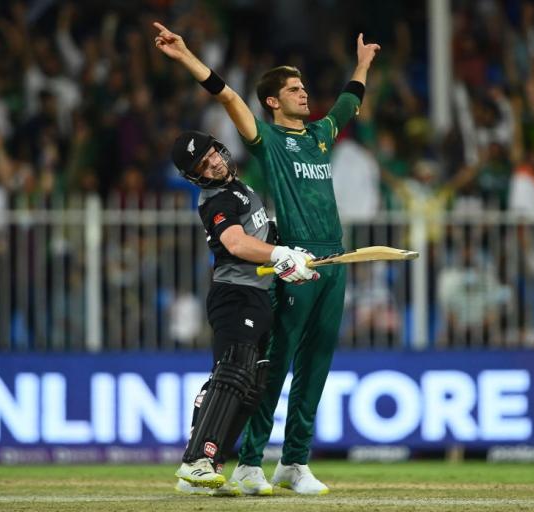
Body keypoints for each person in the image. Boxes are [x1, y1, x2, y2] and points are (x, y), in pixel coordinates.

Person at [154, 21, 380, 495]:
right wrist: (187, 56)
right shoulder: (267, 142)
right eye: (294, 89)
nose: (304, 93)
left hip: (335, 260)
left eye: (303, 86)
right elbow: (229, 98)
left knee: (317, 363)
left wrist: (361, 66)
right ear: (273, 101)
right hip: (294, 261)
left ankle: (295, 462)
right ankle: (250, 461)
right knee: (273, 365)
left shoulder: (320, 134)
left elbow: (349, 103)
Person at [170, 130, 318, 496]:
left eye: (212, 154)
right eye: (203, 164)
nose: (214, 163)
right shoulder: (217, 198)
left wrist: (288, 259)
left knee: (250, 387)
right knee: (233, 372)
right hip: (234, 297)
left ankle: (211, 466)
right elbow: (235, 243)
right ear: (195, 176)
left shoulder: (241, 189)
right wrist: (278, 255)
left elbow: (259, 244)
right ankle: (195, 462)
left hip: (255, 296)